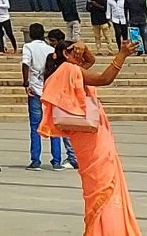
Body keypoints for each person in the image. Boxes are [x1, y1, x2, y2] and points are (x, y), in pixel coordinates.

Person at [38, 31, 139, 235]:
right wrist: (121, 55)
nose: (78, 55)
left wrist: (82, 45)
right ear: (64, 55)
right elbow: (104, 79)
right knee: (104, 187)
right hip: (93, 140)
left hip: (88, 138)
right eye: (72, 51)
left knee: (100, 188)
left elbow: (90, 60)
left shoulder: (69, 71)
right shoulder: (68, 70)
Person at [20, 25, 71, 170]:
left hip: (35, 89)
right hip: (50, 90)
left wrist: (25, 82)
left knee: (35, 126)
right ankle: (56, 161)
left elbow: (25, 64)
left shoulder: (28, 47)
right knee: (54, 126)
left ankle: (35, 160)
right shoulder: (50, 49)